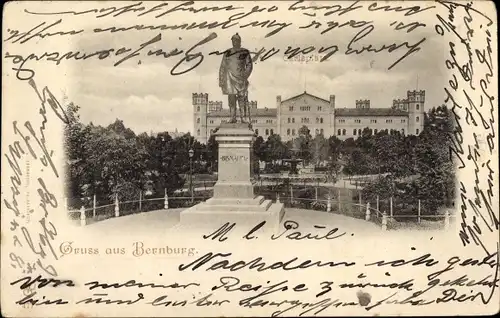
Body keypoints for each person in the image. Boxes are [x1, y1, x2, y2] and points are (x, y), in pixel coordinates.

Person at [219, 33, 253, 123]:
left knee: (242, 98)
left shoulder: (245, 52)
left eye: (236, 40)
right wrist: (221, 80)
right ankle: (232, 117)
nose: (235, 42)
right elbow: (222, 67)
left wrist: (245, 74)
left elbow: (249, 64)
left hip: (241, 78)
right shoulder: (227, 53)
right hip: (229, 78)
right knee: (231, 98)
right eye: (233, 40)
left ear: (239, 41)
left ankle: (243, 117)